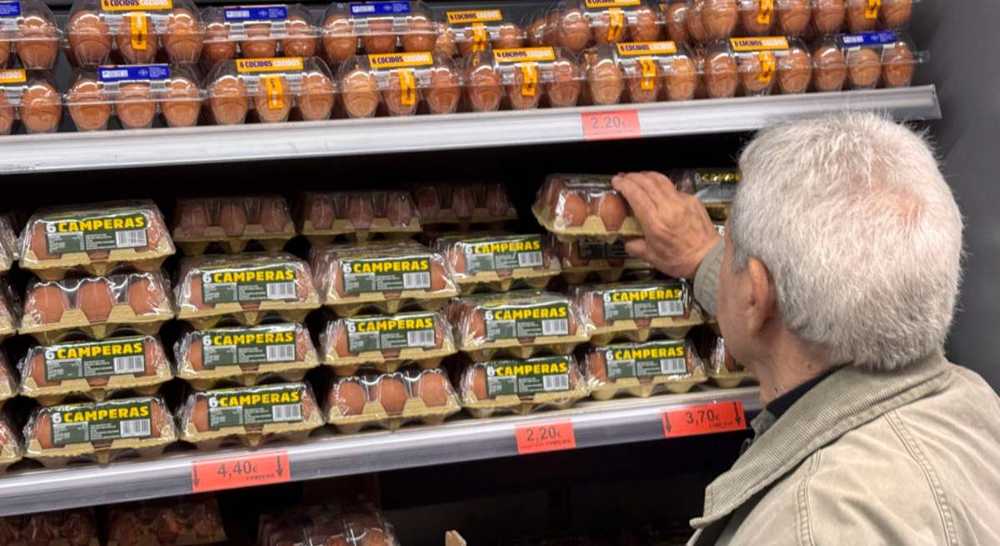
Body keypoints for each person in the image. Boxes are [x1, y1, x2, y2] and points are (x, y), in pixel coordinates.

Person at [613, 112, 1000, 545]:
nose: (722, 257)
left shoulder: (810, 525)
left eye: (729, 250)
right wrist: (706, 259)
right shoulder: (977, 408)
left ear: (756, 296)